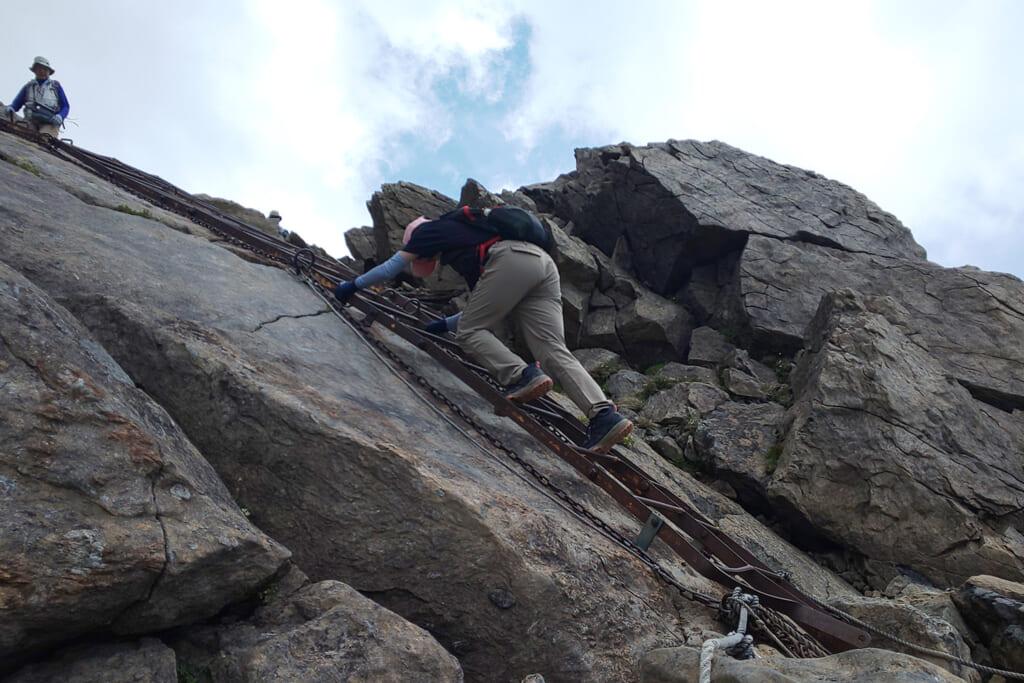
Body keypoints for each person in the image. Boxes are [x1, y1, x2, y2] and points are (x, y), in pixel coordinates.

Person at [333, 209, 634, 454]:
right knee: (553, 350)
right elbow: (488, 307)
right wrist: (444, 325)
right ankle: (604, 414)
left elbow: (391, 267)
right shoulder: (472, 240)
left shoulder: (430, 232)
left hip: (511, 258)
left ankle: (522, 376)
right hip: (543, 265)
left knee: (470, 332)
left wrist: (353, 286)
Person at [5, 56, 69, 137]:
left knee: (45, 140)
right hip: (30, 121)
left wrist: (60, 116)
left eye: (45, 69)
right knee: (23, 137)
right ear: (35, 70)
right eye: (39, 69)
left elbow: (65, 106)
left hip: (49, 123)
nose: (42, 71)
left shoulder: (55, 86)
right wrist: (11, 107)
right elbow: (17, 103)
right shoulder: (29, 87)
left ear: (49, 71)